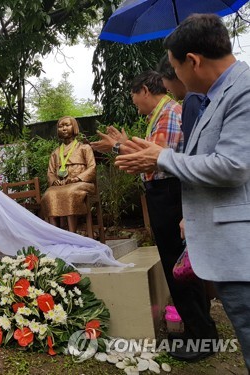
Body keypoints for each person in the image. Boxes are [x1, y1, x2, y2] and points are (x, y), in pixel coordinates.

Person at [116, 14, 250, 369]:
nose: (175, 79)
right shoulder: (213, 96)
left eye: (175, 68)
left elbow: (233, 166)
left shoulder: (242, 90)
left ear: (192, 61)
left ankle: (200, 331)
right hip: (221, 240)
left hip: (240, 247)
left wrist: (161, 157)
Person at [92, 71, 219, 361]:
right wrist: (121, 144)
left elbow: (154, 158)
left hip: (169, 193)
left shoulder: (168, 114)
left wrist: (117, 147)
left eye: (133, 96)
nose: (134, 103)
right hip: (166, 192)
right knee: (179, 265)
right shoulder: (165, 114)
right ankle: (197, 329)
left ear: (145, 90)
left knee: (179, 265)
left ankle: (201, 336)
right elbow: (153, 153)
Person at [40, 116, 96, 233]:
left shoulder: (84, 148)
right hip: (61, 185)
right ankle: (57, 235)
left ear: (74, 127)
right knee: (48, 195)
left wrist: (77, 178)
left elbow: (92, 168)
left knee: (69, 193)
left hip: (81, 183)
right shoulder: (55, 153)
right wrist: (55, 180)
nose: (64, 128)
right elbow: (50, 172)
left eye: (67, 125)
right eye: (61, 126)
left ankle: (72, 234)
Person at [156, 54, 204, 148]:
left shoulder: (192, 99)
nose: (166, 89)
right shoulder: (202, 95)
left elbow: (191, 152)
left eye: (163, 81)